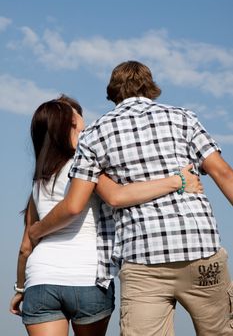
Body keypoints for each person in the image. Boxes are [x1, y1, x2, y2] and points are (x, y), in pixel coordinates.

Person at [28, 61, 233, 336]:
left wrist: (36, 231)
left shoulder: (96, 134)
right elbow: (223, 174)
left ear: (112, 94)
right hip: (200, 249)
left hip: (142, 259)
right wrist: (179, 180)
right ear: (152, 89)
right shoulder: (185, 118)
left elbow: (109, 197)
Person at [10, 94, 202, 336]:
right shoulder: (87, 169)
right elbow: (120, 195)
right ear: (68, 127)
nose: (87, 130)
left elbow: (25, 247)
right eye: (81, 125)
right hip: (88, 279)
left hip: (40, 280)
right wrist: (178, 180)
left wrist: (20, 288)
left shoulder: (38, 183)